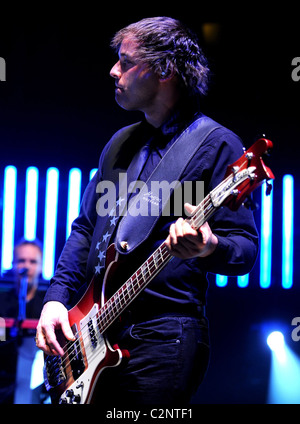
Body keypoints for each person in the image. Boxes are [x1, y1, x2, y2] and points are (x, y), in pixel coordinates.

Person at [36, 17, 259, 404]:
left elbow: (245, 249)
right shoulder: (119, 144)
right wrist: (57, 298)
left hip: (164, 339)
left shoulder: (216, 144)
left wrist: (209, 246)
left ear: (164, 69)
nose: (113, 70)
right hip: (94, 335)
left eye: (125, 61)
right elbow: (86, 228)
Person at [0, 239, 48, 404]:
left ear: (41, 266)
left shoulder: (48, 305)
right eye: (21, 260)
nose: (26, 266)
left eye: (32, 261)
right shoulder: (1, 302)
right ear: (13, 264)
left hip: (39, 386)